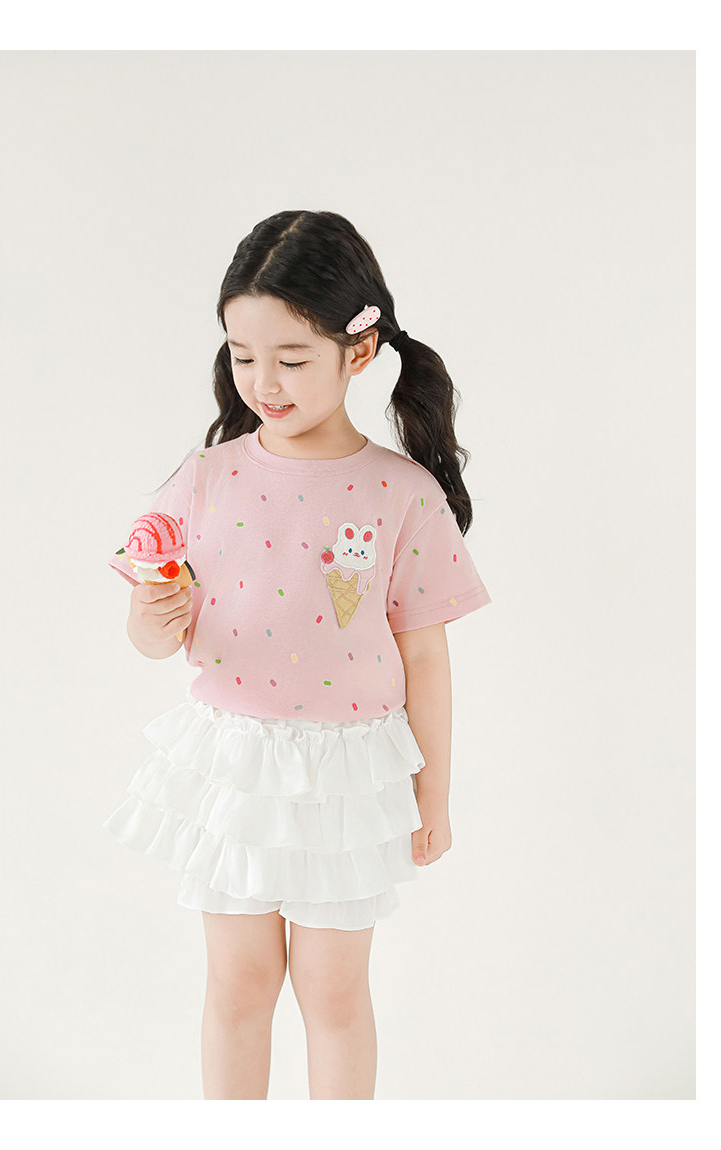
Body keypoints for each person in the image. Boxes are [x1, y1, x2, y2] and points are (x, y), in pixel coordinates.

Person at [103, 209, 492, 1100]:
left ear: (360, 350)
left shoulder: (400, 492)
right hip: (235, 767)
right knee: (238, 983)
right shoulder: (206, 477)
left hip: (347, 776)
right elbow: (151, 634)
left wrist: (432, 792)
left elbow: (426, 657)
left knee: (333, 990)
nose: (264, 382)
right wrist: (153, 614)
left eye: (292, 358)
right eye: (244, 356)